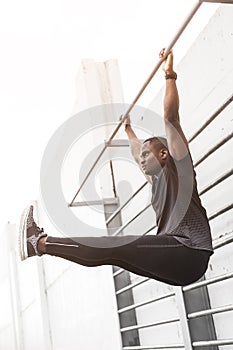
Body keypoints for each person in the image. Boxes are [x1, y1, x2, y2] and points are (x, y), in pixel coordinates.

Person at [19, 49, 213, 286]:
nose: (141, 159)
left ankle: (39, 243)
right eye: (140, 156)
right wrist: (128, 129)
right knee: (111, 252)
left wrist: (169, 74)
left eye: (146, 155)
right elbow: (135, 151)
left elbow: (171, 118)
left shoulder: (180, 170)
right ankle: (38, 244)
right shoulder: (157, 183)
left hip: (189, 249)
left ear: (164, 154)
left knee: (112, 246)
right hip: (181, 262)